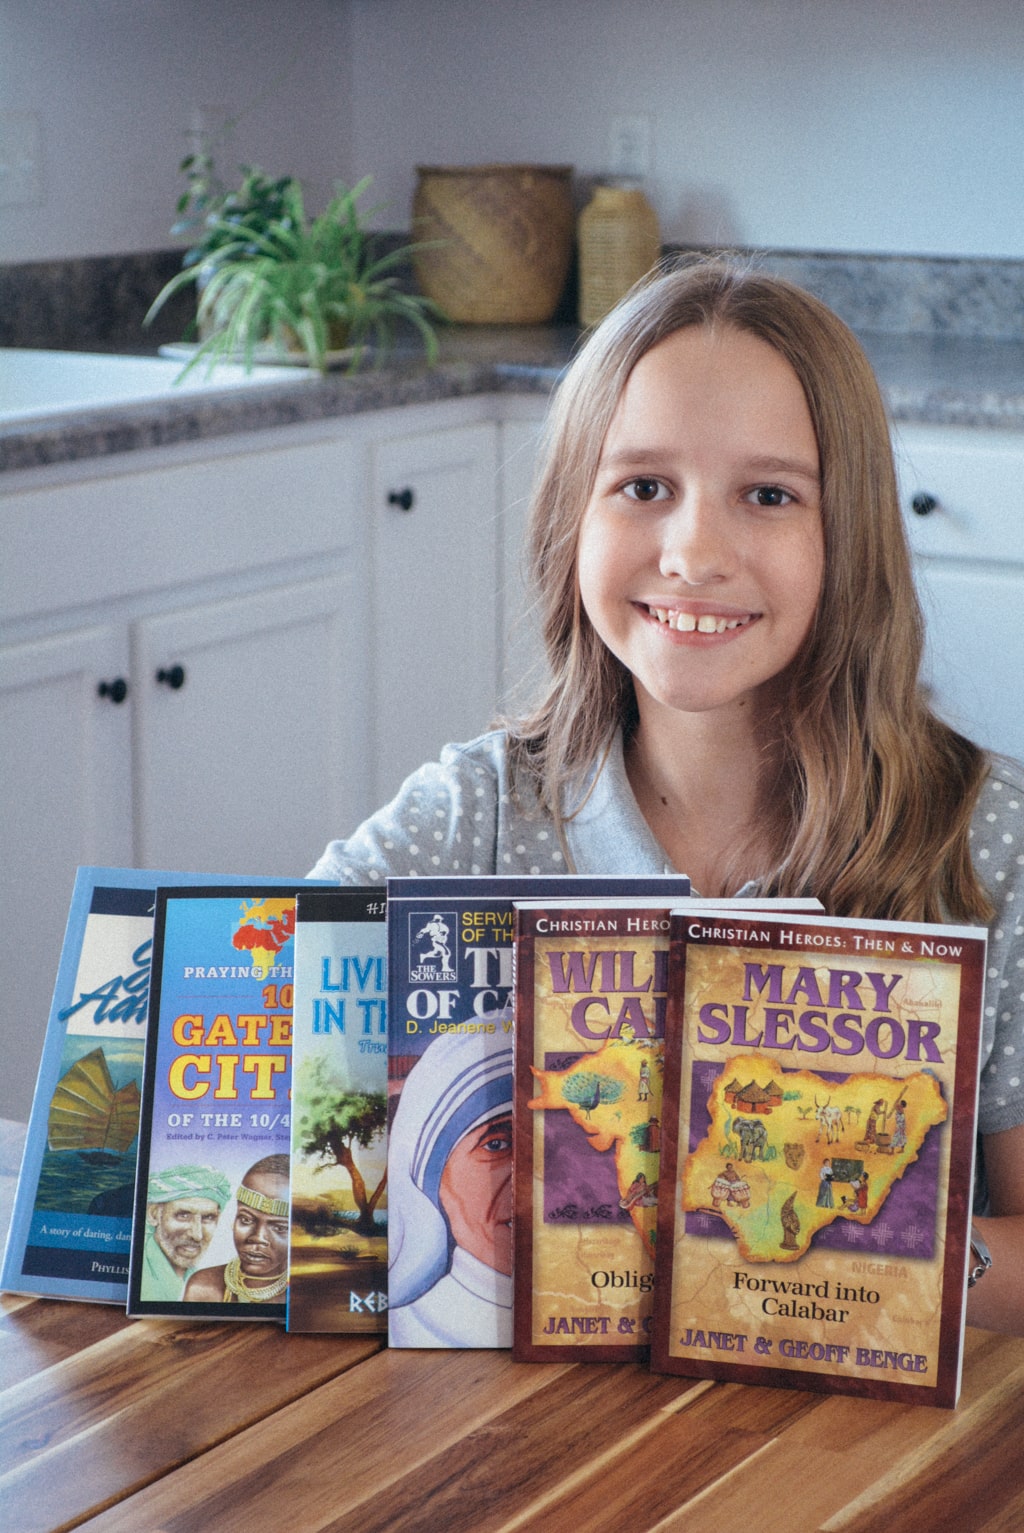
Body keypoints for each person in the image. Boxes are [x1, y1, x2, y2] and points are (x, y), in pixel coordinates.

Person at [309, 257, 1024, 1336]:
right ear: (570, 519)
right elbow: (255, 1060)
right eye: (643, 487)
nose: (692, 553)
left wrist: (843, 1252)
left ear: (854, 539)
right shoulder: (474, 812)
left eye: (770, 495)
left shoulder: (989, 845)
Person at [387, 1033, 514, 1346]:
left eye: (555, 1139)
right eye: (496, 1145)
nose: (533, 1173)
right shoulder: (409, 1328)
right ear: (433, 1180)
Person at [183, 1155, 290, 1305]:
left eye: (279, 1227)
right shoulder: (203, 1287)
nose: (257, 1237)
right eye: (246, 1220)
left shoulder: (304, 1297)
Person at [141, 1164, 231, 1301]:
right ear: (154, 1215)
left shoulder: (201, 1279)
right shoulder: (143, 1276)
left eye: (208, 1218)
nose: (197, 1235)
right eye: (183, 1216)